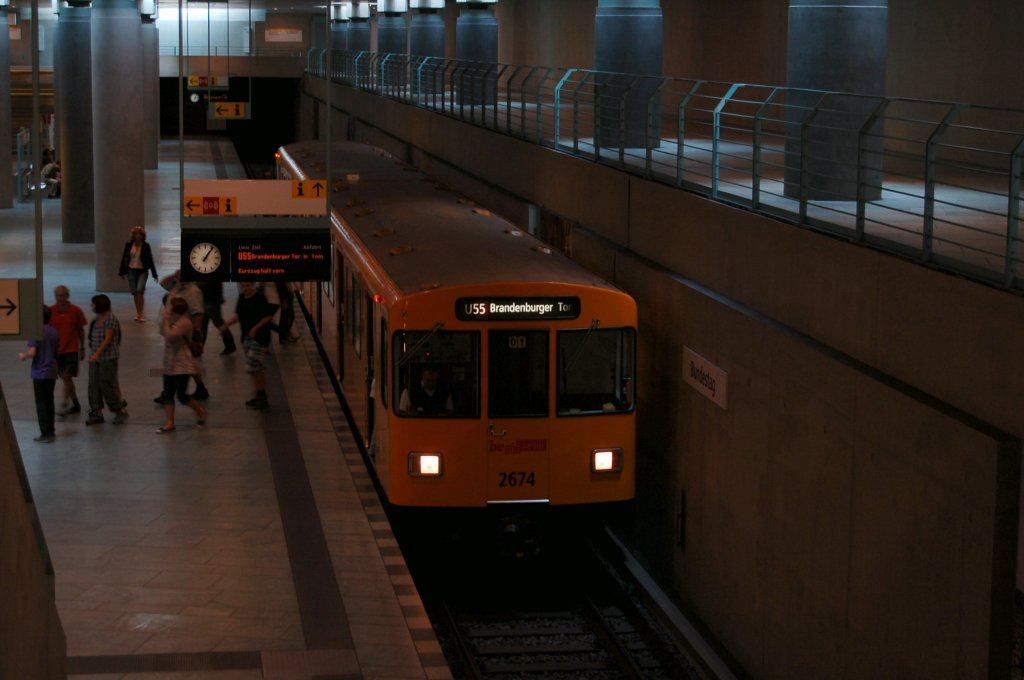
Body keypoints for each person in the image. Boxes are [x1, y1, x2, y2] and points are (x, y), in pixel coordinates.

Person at [217, 281, 278, 410]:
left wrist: (255, 328)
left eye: (248, 285)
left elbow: (267, 317)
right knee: (256, 368)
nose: (245, 288)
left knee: (253, 366)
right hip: (247, 337)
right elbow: (238, 315)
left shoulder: (260, 299)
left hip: (260, 338)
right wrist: (226, 325)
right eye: (243, 286)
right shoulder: (242, 298)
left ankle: (262, 396)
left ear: (253, 285)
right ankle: (260, 394)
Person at [156, 297, 207, 433]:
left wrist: (166, 320)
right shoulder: (172, 320)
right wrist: (166, 320)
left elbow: (170, 336)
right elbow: (161, 330)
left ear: (174, 309)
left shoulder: (185, 322)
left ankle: (200, 411)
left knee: (181, 396)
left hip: (182, 364)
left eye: (169, 307)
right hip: (169, 362)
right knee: (167, 394)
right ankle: (169, 423)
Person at [157, 270, 209, 401]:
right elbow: (163, 283)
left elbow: (198, 313)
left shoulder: (193, 291)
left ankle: (168, 392)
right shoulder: (176, 285)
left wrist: (195, 333)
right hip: (174, 329)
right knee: (188, 362)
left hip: (182, 332)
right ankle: (200, 388)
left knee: (178, 361)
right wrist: (173, 275)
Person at [85, 294, 128, 425]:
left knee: (107, 384)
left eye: (93, 303)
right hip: (96, 359)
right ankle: (96, 411)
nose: (91, 306)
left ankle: (119, 411)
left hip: (108, 358)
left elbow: (108, 338)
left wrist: (97, 353)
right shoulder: (96, 320)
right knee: (93, 385)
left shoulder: (110, 319)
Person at [19, 305, 59, 443]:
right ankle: (51, 430)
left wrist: (24, 355)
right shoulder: (54, 332)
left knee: (41, 403)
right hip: (52, 371)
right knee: (49, 402)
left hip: (40, 372)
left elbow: (33, 352)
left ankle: (45, 433)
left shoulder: (36, 332)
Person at [49, 285, 87, 416]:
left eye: (63, 295)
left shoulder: (76, 311)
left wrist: (82, 347)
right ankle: (75, 403)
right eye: (58, 296)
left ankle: (64, 403)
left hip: (71, 350)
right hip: (56, 351)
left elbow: (81, 331)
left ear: (68, 296)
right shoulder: (51, 311)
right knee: (66, 379)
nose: (60, 298)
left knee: (66, 377)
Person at [118, 225, 159, 322]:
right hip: (131, 271)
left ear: (142, 235)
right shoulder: (128, 245)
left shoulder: (145, 246)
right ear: (133, 235)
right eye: (136, 234)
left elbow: (150, 260)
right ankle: (138, 313)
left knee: (140, 291)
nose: (138, 236)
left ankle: (141, 314)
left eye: (140, 234)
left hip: (142, 271)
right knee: (135, 293)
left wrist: (154, 274)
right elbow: (124, 258)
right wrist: (121, 271)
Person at [197, 280, 236, 356]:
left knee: (218, 323)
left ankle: (230, 346)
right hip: (208, 299)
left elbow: (202, 282)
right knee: (204, 325)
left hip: (210, 300)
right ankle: (199, 348)